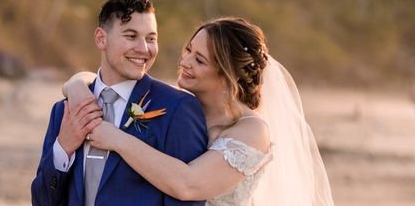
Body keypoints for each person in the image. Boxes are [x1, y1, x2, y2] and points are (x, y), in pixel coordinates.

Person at [63, 17, 335, 206]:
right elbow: (104, 77)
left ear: (226, 74)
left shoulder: (251, 130)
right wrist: (76, 84)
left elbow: (189, 185)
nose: (185, 62)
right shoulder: (176, 104)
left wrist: (116, 139)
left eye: (199, 60)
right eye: (189, 50)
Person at [31, 0, 208, 206]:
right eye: (131, 36)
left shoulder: (177, 108)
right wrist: (64, 148)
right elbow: (42, 202)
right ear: (101, 39)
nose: (144, 49)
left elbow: (188, 199)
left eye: (151, 38)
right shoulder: (65, 109)